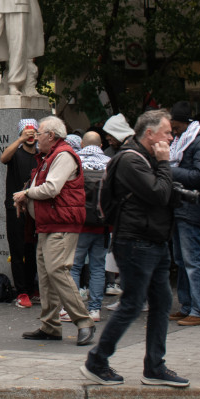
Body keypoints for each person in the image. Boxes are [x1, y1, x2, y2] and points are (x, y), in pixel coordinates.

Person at [82, 109, 189, 386]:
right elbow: (158, 194)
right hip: (136, 242)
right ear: (150, 134)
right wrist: (165, 164)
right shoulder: (131, 160)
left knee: (162, 302)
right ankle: (97, 360)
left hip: (154, 240)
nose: (171, 136)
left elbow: (161, 194)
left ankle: (154, 366)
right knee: (132, 303)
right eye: (167, 132)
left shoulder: (147, 159)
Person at [12, 116, 95, 346]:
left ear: (51, 136)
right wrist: (26, 195)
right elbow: (41, 185)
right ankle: (50, 326)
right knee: (47, 276)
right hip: (49, 224)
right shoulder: (50, 156)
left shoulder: (63, 155)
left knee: (57, 271)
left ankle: (84, 321)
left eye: (40, 133)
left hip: (61, 224)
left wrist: (26, 195)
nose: (36, 137)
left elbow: (51, 188)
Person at [167, 101, 200, 327]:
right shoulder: (185, 141)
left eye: (174, 127)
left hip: (192, 206)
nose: (172, 132)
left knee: (192, 260)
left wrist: (167, 169)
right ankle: (188, 306)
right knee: (181, 259)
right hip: (181, 207)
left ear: (181, 123)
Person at [0, 118, 40, 308]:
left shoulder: (40, 155)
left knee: (33, 250)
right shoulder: (16, 153)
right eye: (27, 132)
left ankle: (32, 288)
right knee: (17, 250)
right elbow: (3, 158)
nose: (30, 136)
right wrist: (20, 140)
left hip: (35, 208)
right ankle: (21, 291)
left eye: (33, 133)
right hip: (14, 208)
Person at [71, 132, 111, 321]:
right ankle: (95, 309)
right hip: (102, 226)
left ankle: (73, 307)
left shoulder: (75, 161)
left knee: (74, 266)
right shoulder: (109, 163)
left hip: (79, 224)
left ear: (81, 143)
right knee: (98, 267)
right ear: (101, 144)